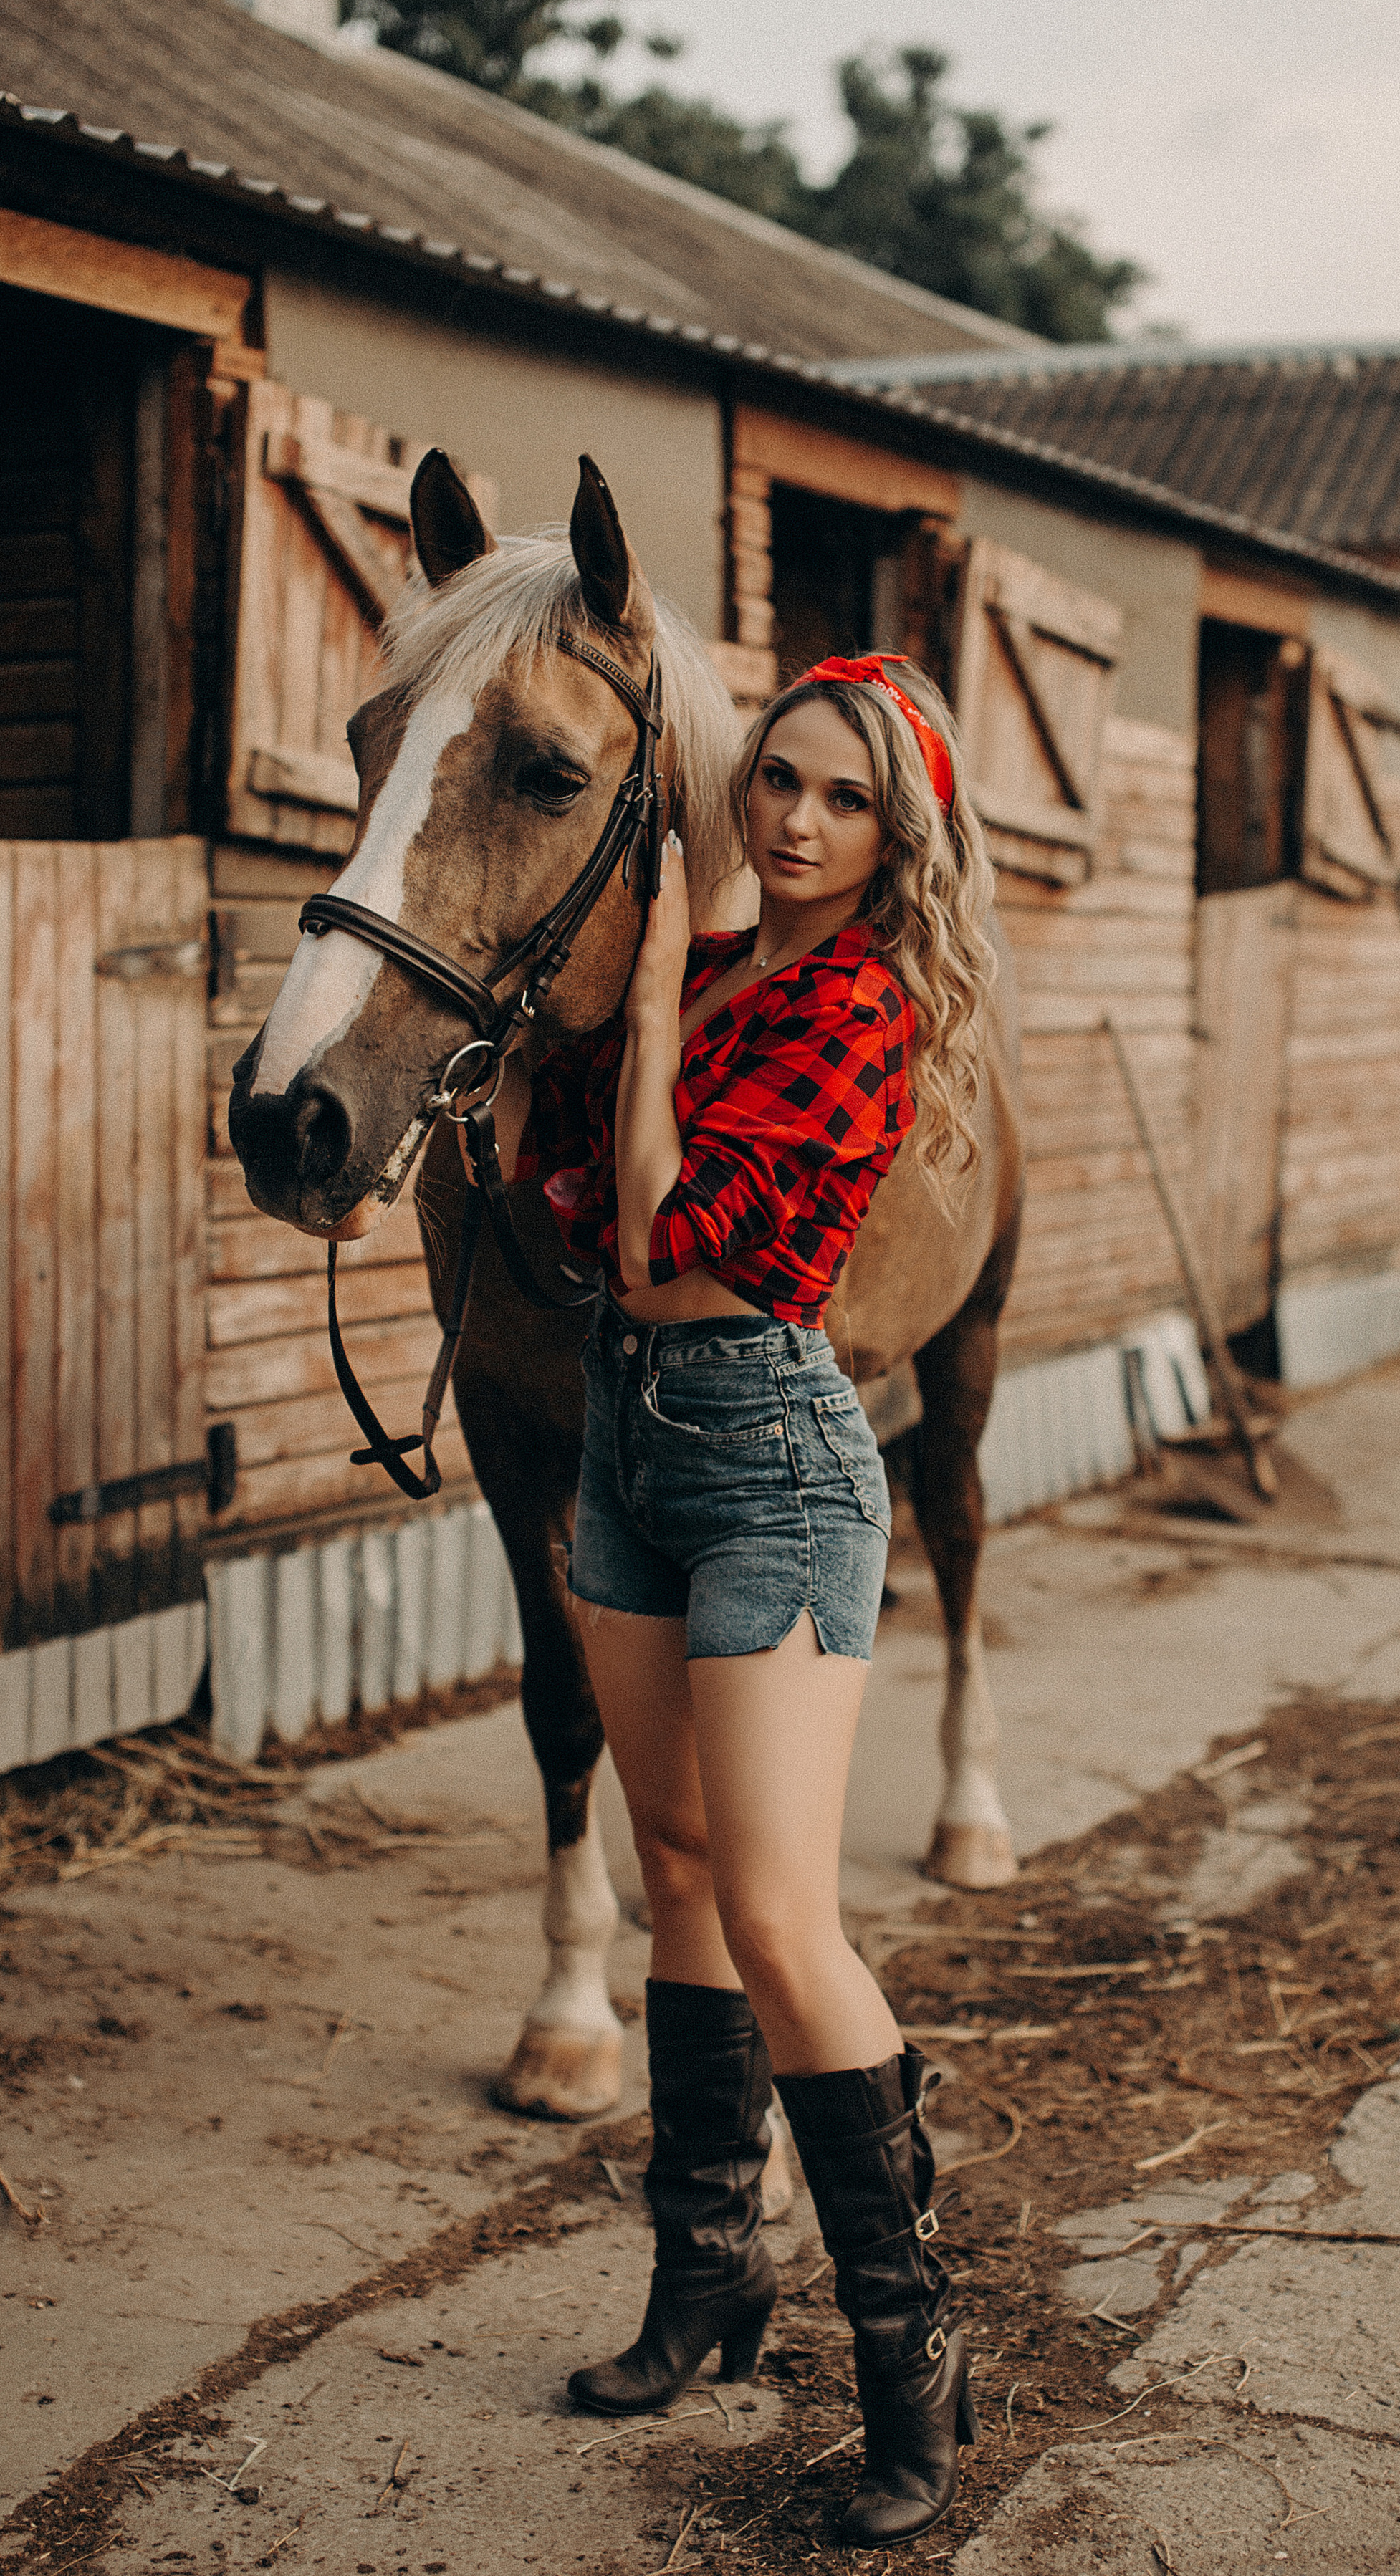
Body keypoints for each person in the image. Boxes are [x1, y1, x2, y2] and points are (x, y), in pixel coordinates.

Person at [512, 651, 997, 2547]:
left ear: (896, 837)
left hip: (771, 1464)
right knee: (678, 1870)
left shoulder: (859, 1007)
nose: (795, 819)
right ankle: (708, 2269)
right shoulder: (725, 970)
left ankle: (911, 2349)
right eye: (778, 779)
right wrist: (632, 1008)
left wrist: (646, 1013)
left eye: (843, 799)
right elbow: (557, 1178)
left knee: (786, 1917)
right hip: (629, 1451)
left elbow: (650, 1231)